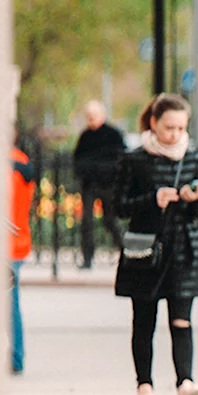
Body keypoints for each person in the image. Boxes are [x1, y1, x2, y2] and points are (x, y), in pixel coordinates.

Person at [114, 93, 198, 395]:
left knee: (182, 320)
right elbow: (119, 206)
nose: (175, 134)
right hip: (145, 250)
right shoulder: (135, 159)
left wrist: (194, 198)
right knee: (144, 320)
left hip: (184, 250)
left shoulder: (195, 158)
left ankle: (186, 385)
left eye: (181, 128)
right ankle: (145, 386)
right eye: (169, 127)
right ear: (154, 123)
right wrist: (152, 199)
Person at [72, 101, 127, 269]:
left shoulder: (113, 135)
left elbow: (122, 158)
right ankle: (87, 257)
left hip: (108, 184)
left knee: (110, 220)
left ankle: (126, 253)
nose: (91, 120)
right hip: (90, 184)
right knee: (87, 221)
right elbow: (77, 159)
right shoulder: (85, 136)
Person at [8, 143, 35, 374]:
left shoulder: (3, 165)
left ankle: (16, 356)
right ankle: (17, 356)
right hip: (17, 241)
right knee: (11, 301)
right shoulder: (22, 162)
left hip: (4, 244)